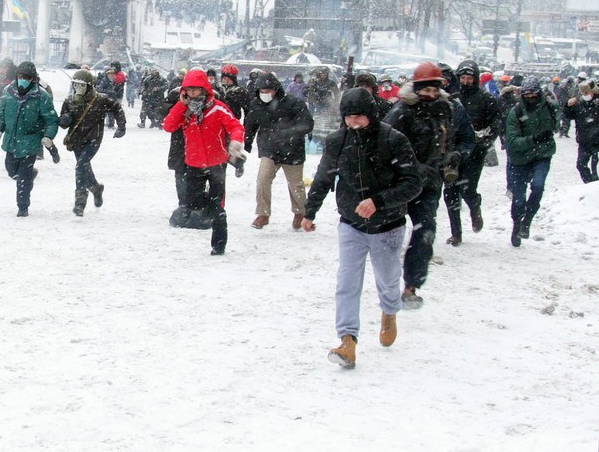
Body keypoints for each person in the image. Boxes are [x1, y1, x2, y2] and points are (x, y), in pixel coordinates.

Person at [301, 88, 424, 369]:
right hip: (351, 224)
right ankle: (347, 341)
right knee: (347, 282)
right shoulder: (337, 141)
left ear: (371, 116)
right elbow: (323, 177)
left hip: (388, 225)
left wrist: (378, 201)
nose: (354, 123)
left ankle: (389, 312)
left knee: (388, 277)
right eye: (349, 118)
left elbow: (413, 183)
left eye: (359, 118)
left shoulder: (393, 140)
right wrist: (309, 211)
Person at [384, 62, 474, 308]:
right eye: (426, 90)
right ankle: (387, 280)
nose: (430, 96)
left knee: (425, 232)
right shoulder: (401, 112)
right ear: (417, 89)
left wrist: (453, 155)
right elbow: (384, 146)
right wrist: (410, 166)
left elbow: (458, 139)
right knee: (391, 235)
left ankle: (412, 285)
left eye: (435, 90)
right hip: (399, 183)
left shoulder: (447, 109)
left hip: (430, 183)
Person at [163, 69, 248, 254]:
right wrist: (180, 105)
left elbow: (235, 125)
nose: (193, 94)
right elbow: (168, 126)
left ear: (205, 90)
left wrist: (236, 141)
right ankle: (211, 204)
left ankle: (218, 245)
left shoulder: (217, 108)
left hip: (217, 163)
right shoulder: (184, 111)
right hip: (193, 164)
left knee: (218, 208)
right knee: (194, 204)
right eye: (189, 90)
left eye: (196, 90)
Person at [0, 61, 59, 217]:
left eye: (26, 77)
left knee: (23, 177)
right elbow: (1, 112)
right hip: (12, 140)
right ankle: (30, 175)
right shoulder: (8, 92)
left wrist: (48, 136)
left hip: (31, 141)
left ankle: (23, 207)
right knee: (11, 170)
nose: (22, 79)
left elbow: (51, 119)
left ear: (33, 79)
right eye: (20, 76)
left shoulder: (41, 96)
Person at [243, 71, 314, 230]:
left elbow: (307, 123)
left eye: (268, 91)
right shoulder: (256, 104)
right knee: (263, 179)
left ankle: (300, 213)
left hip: (292, 149)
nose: (265, 94)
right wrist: (247, 141)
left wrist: (289, 134)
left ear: (275, 90)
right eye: (262, 91)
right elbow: (250, 123)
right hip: (269, 148)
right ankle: (263, 213)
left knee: (296, 184)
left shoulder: (293, 103)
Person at [445, 60, 500, 245]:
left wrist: (485, 140)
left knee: (467, 189)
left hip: (475, 152)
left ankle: (474, 206)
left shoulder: (486, 98)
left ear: (475, 79)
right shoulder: (453, 98)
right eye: (463, 77)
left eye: (469, 78)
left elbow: (496, 123)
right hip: (454, 151)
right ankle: (456, 233)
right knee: (450, 192)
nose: (466, 81)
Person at [58, 69, 125, 216]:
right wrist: (64, 119)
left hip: (93, 139)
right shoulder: (69, 100)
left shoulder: (100, 100)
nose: (78, 89)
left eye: (81, 85)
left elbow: (117, 108)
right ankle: (95, 188)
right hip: (76, 139)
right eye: (75, 85)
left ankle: (80, 202)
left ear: (89, 86)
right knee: (84, 168)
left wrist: (121, 126)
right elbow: (62, 121)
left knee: (81, 165)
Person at [503, 77, 557, 246]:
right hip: (520, 159)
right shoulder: (516, 112)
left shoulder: (549, 107)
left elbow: (562, 115)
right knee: (518, 198)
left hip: (542, 155)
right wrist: (533, 139)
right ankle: (517, 224)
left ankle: (528, 219)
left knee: (538, 186)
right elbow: (511, 141)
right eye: (527, 95)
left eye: (534, 95)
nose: (531, 98)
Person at [563, 80, 599, 183]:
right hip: (584, 141)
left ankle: (596, 188)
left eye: (586, 92)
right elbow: (569, 115)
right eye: (582, 93)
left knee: (596, 170)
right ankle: (590, 185)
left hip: (598, 143)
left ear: (593, 92)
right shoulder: (580, 104)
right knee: (580, 165)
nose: (584, 95)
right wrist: (568, 106)